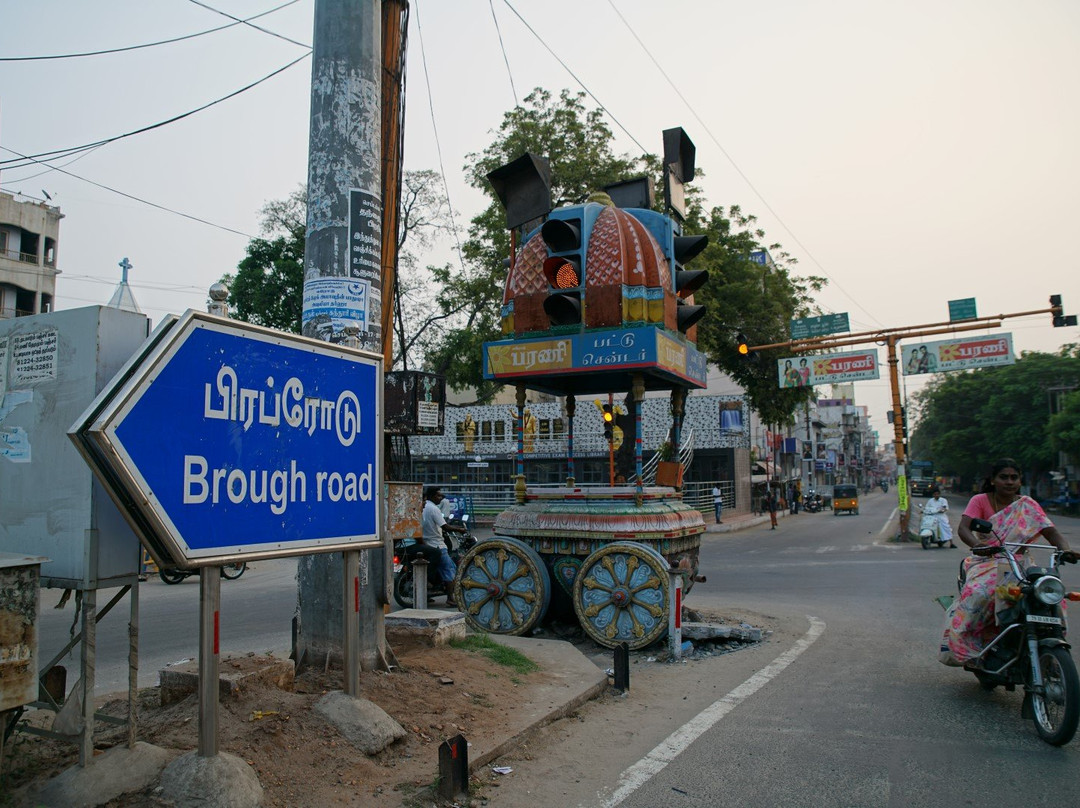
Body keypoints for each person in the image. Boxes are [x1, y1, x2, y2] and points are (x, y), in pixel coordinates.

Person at [939, 458, 1076, 667]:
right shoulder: (980, 500)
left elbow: (1052, 532)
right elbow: (964, 528)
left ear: (1020, 481)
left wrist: (1065, 550)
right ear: (993, 480)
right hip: (988, 560)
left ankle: (1051, 644)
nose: (1009, 482)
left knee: (1050, 596)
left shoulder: (1027, 505)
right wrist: (978, 545)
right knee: (980, 594)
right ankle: (969, 645)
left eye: (1014, 477)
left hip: (1022, 564)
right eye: (1004, 477)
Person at [421, 486, 466, 603]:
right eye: (438, 495)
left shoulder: (423, 507)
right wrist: (460, 530)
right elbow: (445, 526)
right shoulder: (434, 509)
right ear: (431, 496)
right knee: (449, 569)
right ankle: (450, 598)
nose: (440, 498)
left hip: (426, 542)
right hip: (437, 544)